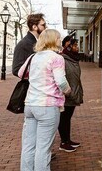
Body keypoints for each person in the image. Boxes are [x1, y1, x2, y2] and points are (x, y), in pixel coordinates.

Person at [19, 29, 71, 171]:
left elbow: (20, 73)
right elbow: (60, 81)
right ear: (53, 40)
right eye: (59, 38)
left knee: (29, 145)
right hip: (48, 106)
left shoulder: (33, 57)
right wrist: (68, 91)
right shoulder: (56, 58)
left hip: (30, 105)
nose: (60, 40)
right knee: (43, 148)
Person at [58, 38, 84, 152]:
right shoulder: (63, 59)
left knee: (67, 118)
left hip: (73, 92)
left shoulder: (73, 59)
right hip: (67, 95)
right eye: (75, 45)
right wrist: (68, 91)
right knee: (63, 119)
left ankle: (67, 140)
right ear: (68, 47)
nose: (77, 47)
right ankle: (64, 142)